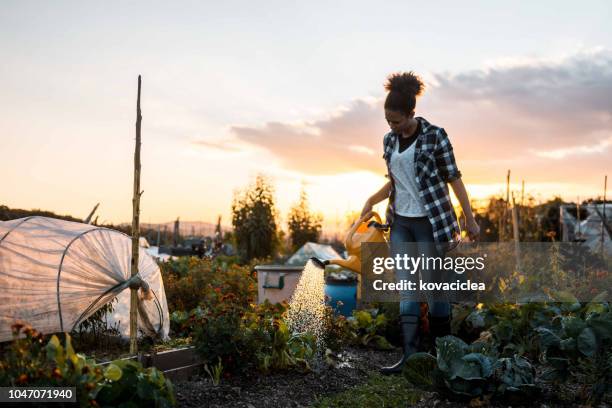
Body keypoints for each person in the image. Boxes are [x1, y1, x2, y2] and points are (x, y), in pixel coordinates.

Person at [361, 71, 480, 375]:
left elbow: (454, 177)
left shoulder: (436, 136)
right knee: (407, 289)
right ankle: (411, 360)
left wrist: (470, 217)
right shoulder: (389, 141)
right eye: (388, 122)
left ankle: (442, 359)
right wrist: (371, 200)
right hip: (400, 222)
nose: (392, 127)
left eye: (397, 121)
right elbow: (394, 182)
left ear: (412, 114)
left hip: (431, 223)